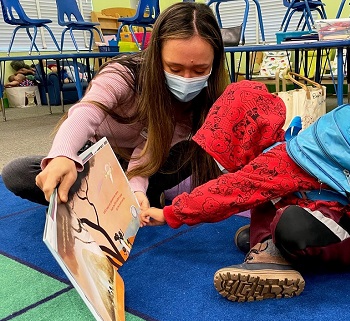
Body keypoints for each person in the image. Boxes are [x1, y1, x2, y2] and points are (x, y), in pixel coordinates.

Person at [140, 80, 350, 303]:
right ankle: (270, 242)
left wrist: (170, 214)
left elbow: (227, 193)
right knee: (266, 203)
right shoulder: (283, 145)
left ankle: (274, 256)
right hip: (342, 227)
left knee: (289, 223)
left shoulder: (277, 159)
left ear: (243, 133)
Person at [1, 2, 227, 209]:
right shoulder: (123, 74)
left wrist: (136, 186)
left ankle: (121, 198)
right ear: (156, 56)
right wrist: (63, 155)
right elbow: (87, 112)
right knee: (18, 172)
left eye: (199, 70)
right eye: (174, 69)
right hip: (97, 157)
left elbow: (149, 149)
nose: (186, 79)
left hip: (147, 164)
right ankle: (114, 199)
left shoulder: (200, 102)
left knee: (190, 151)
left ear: (213, 64)